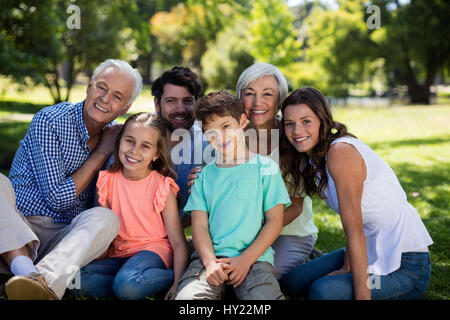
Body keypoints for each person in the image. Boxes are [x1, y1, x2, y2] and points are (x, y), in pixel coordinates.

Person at [0, 59, 142, 300]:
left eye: (117, 97)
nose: (105, 99)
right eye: (101, 87)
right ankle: (29, 274)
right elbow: (57, 199)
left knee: (106, 219)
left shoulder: (118, 137)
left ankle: (33, 283)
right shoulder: (51, 121)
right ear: (88, 86)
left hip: (65, 240)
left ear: (125, 108)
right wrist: (100, 154)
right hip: (19, 227)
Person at [278, 87, 433, 300]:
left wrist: (361, 294)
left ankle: (342, 282)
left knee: (323, 291)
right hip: (367, 253)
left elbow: (356, 230)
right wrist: (346, 266)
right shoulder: (316, 158)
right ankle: (339, 272)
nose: (297, 131)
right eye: (290, 123)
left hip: (402, 267)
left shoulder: (340, 152)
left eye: (306, 121)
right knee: (291, 283)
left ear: (322, 120)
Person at [188, 63, 319, 279]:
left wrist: (252, 227)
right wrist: (201, 179)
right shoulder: (228, 131)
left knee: (263, 275)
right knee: (208, 267)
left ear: (280, 99)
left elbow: (295, 207)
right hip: (236, 234)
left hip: (289, 230)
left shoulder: (292, 134)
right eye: (249, 94)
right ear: (239, 98)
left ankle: (308, 255)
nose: (258, 102)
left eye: (267, 94)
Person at [175, 91, 290, 300]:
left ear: (243, 121)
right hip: (209, 260)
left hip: (254, 260)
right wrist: (209, 263)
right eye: (210, 132)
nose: (219, 137)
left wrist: (245, 260)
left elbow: (274, 222)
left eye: (225, 127)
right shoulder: (204, 175)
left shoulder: (266, 169)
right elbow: (199, 226)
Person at [71, 113, 188, 300]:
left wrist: (176, 284)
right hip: (119, 255)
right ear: (119, 142)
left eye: (145, 146)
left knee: (127, 283)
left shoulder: (162, 186)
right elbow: (105, 239)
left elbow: (178, 242)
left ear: (156, 154)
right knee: (74, 279)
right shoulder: (107, 181)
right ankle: (130, 288)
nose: (134, 151)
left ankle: (156, 281)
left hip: (152, 252)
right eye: (130, 141)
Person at [151, 67, 214, 228]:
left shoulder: (209, 144)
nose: (180, 109)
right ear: (157, 104)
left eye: (187, 101)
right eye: (171, 101)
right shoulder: (138, 137)